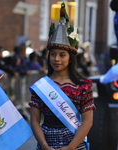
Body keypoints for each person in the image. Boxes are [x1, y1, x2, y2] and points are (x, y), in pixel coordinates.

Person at [28, 3, 95, 150]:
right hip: (46, 143)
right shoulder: (42, 86)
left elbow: (87, 121)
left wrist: (70, 147)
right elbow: (34, 120)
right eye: (53, 54)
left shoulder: (82, 85)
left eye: (62, 55)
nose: (56, 59)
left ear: (70, 58)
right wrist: (44, 145)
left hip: (74, 144)